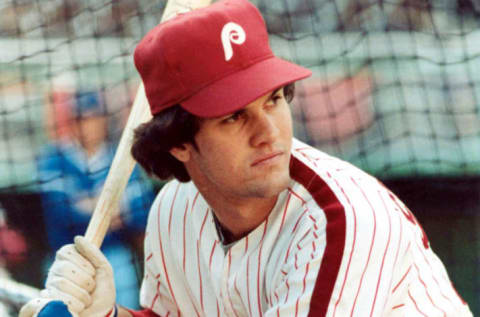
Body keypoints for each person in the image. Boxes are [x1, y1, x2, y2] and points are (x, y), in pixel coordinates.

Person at [20, 0, 473, 316]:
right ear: (179, 142)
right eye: (234, 116)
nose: (269, 132)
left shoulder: (343, 221)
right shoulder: (175, 213)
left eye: (274, 99)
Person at [35, 89, 155, 309]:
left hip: (114, 257)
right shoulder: (54, 157)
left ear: (102, 120)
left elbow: (140, 212)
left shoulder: (119, 156)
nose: (87, 125)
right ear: (72, 122)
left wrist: (89, 203)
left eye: (92, 118)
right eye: (81, 119)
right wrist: (112, 211)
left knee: (120, 307)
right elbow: (61, 215)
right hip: (66, 258)